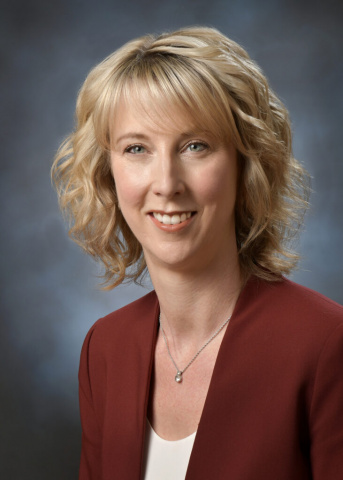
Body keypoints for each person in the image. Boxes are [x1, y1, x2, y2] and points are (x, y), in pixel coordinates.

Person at [52, 26, 343, 480]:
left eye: (195, 146)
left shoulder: (327, 346)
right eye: (136, 148)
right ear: (107, 173)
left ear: (247, 163)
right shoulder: (105, 350)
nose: (166, 183)